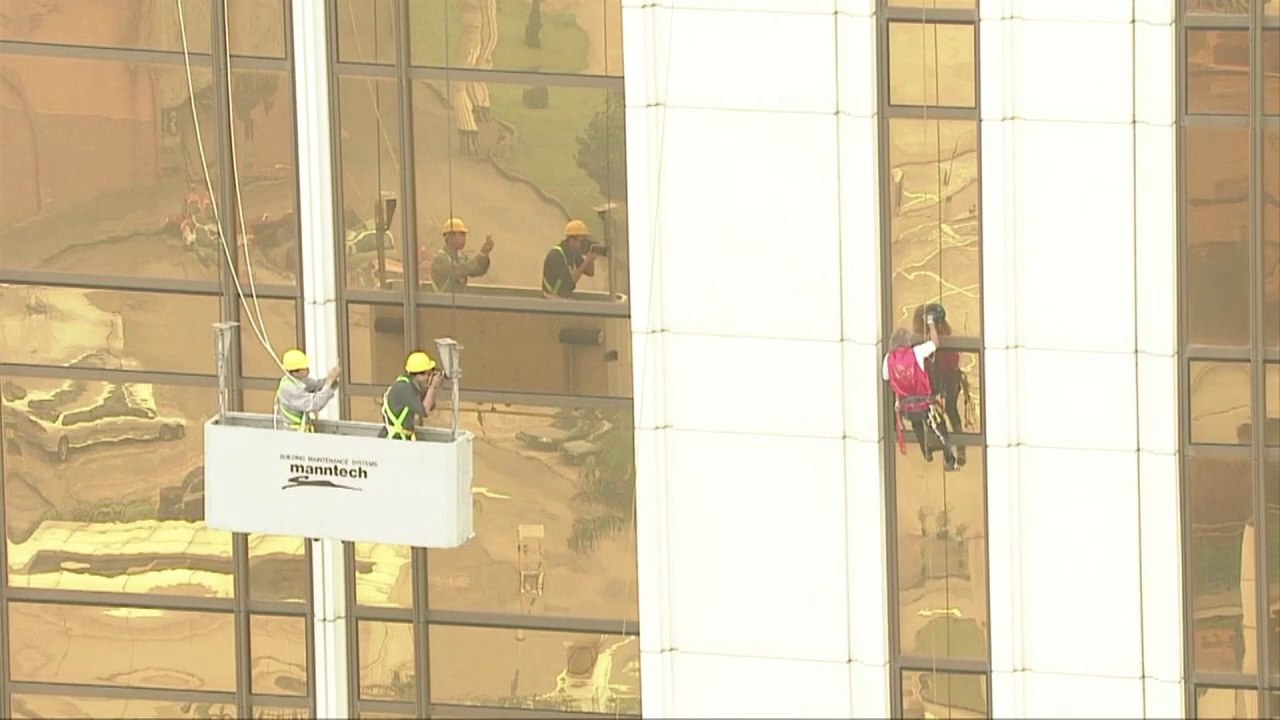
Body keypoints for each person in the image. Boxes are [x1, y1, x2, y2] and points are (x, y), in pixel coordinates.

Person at [883, 319, 957, 470]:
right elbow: (935, 343)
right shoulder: (916, 352)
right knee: (942, 431)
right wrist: (931, 324)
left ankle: (926, 452)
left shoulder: (888, 359)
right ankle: (949, 460)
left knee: (917, 424)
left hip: (906, 408)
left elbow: (886, 377)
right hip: (924, 404)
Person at [914, 303, 969, 466]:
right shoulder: (941, 335)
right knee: (950, 412)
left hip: (943, 381)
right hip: (945, 380)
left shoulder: (936, 338)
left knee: (942, 414)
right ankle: (957, 450)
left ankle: (949, 449)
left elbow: (947, 361)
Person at [380, 351, 446, 440]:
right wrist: (432, 387)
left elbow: (430, 406)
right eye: (428, 374)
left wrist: (435, 387)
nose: (429, 377)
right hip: (394, 439)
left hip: (401, 437)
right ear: (418, 375)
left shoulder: (412, 385)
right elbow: (424, 411)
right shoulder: (405, 387)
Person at [275, 349, 341, 432]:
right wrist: (329, 382)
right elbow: (314, 404)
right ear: (295, 371)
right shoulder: (289, 389)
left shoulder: (299, 380)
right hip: (293, 433)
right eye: (304, 368)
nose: (308, 369)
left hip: (301, 431)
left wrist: (332, 378)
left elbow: (317, 385)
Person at [430, 217, 494, 293]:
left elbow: (477, 270)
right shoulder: (439, 260)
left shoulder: (462, 258)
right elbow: (460, 270)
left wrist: (484, 254)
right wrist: (481, 254)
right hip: (443, 300)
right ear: (450, 237)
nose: (464, 239)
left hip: (458, 299)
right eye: (461, 235)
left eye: (464, 235)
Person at [541, 219, 599, 298]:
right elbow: (568, 283)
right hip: (550, 299)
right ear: (572, 240)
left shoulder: (573, 252)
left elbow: (590, 272)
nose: (583, 244)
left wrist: (591, 258)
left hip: (562, 298)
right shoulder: (556, 255)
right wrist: (586, 261)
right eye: (582, 241)